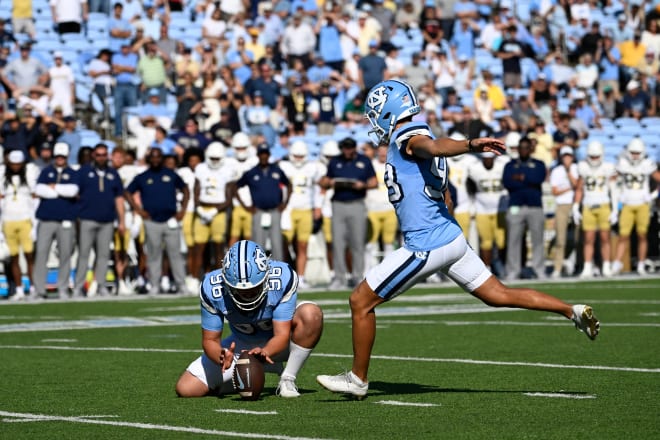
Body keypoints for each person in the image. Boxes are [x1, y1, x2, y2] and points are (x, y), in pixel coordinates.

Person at [315, 79, 599, 399]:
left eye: (375, 114)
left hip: (426, 243)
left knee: (360, 301)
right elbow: (446, 194)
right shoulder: (422, 131)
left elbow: (431, 147)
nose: (373, 122)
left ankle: (358, 379)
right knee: (497, 294)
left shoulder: (411, 136)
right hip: (450, 236)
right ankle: (570, 310)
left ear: (389, 112)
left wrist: (469, 145)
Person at [174, 240, 324, 398]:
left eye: (254, 288)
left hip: (279, 343)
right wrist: (221, 355)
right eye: (240, 290)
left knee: (310, 314)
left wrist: (265, 352)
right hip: (241, 344)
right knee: (186, 389)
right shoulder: (212, 287)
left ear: (266, 275)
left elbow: (281, 334)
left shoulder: (282, 277)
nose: (248, 295)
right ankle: (240, 376)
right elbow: (210, 340)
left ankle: (287, 379)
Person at [124, 147, 190, 295]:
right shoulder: (142, 177)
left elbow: (185, 189)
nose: (155, 160)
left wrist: (183, 210)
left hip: (170, 220)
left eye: (158, 157)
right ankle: (154, 284)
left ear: (162, 159)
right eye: (152, 157)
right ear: (149, 159)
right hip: (151, 221)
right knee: (153, 255)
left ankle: (181, 284)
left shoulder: (170, 174)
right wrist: (138, 210)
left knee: (175, 254)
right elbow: (128, 192)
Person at [319, 137, 377, 289]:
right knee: (338, 243)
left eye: (350, 147)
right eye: (345, 147)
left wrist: (363, 185)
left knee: (357, 242)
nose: (348, 150)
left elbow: (374, 182)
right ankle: (340, 278)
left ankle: (358, 276)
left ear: (354, 148)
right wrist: (329, 182)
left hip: (357, 203)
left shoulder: (364, 160)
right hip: (338, 204)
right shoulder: (334, 161)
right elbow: (324, 181)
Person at [73, 143, 125, 297]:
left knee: (103, 254)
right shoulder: (84, 172)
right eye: (98, 155)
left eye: (104, 155)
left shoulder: (112, 174)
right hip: (87, 219)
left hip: (107, 220)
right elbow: (75, 193)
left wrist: (121, 221)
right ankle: (78, 285)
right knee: (84, 253)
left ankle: (100, 284)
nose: (101, 157)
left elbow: (119, 198)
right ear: (93, 156)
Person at [32, 142, 80, 299]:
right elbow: (39, 190)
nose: (60, 159)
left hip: (66, 219)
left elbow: (73, 190)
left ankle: (63, 288)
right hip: (46, 219)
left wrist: (54, 188)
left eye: (62, 157)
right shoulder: (46, 172)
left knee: (65, 254)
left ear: (66, 157)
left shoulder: (73, 173)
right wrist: (60, 190)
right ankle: (39, 289)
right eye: (58, 156)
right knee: (41, 254)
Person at [611, 139, 660, 275]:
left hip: (642, 204)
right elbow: (612, 177)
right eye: (632, 153)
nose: (635, 156)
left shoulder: (647, 164)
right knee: (623, 235)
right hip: (627, 203)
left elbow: (658, 178)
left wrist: (654, 194)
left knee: (642, 235)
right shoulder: (623, 163)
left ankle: (641, 264)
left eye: (637, 153)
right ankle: (617, 263)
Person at [502, 136, 548, 280]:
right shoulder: (510, 165)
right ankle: (513, 270)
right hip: (516, 206)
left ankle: (539, 269)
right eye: (521, 147)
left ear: (531, 149)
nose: (523, 150)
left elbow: (538, 178)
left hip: (535, 206)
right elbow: (507, 182)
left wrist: (521, 177)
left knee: (538, 239)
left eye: (526, 147)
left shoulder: (539, 164)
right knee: (513, 240)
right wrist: (527, 179)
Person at [235, 144, 291, 261]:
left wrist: (284, 203)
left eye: (266, 154)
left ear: (269, 155)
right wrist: (245, 206)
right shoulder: (251, 172)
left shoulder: (277, 170)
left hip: (275, 210)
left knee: (276, 242)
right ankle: (258, 272)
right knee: (259, 243)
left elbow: (289, 184)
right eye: (261, 154)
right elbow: (235, 187)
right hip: (259, 211)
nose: (264, 157)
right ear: (258, 155)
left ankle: (278, 271)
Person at [572, 141, 618, 279]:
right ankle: (587, 266)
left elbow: (613, 190)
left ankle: (606, 266)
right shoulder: (583, 166)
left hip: (603, 204)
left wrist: (615, 209)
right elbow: (579, 188)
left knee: (605, 238)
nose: (594, 160)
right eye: (591, 157)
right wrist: (575, 206)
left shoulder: (608, 167)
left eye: (596, 156)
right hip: (588, 205)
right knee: (588, 239)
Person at [0, 150, 39, 300]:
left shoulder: (29, 176)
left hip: (25, 220)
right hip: (8, 220)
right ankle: (19, 289)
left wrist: (34, 224)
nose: (15, 166)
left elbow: (34, 200)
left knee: (29, 255)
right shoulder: (3, 177)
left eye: (18, 164)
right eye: (13, 164)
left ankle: (34, 287)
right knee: (14, 257)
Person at [549, 146, 579, 279]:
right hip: (562, 205)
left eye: (569, 156)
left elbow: (578, 185)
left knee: (579, 238)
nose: (567, 159)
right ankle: (557, 268)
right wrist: (569, 188)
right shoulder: (556, 171)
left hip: (576, 204)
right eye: (565, 156)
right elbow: (555, 191)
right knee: (561, 239)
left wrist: (569, 173)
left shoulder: (577, 168)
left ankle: (579, 265)